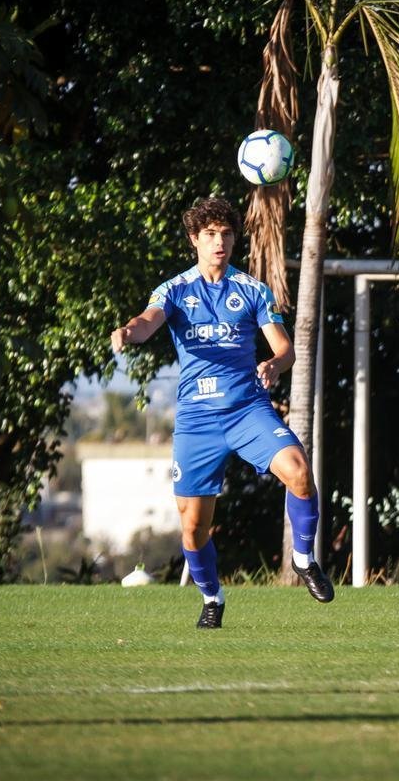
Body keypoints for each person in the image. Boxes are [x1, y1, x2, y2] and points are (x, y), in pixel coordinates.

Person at [110, 196, 333, 628]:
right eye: (210, 234)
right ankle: (212, 597)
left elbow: (285, 348)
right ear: (195, 239)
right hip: (198, 421)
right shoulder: (175, 289)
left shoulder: (252, 290)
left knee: (300, 471)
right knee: (193, 528)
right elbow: (149, 319)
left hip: (247, 409)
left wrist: (272, 363)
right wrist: (127, 332)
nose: (220, 242)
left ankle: (304, 559)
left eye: (226, 234)